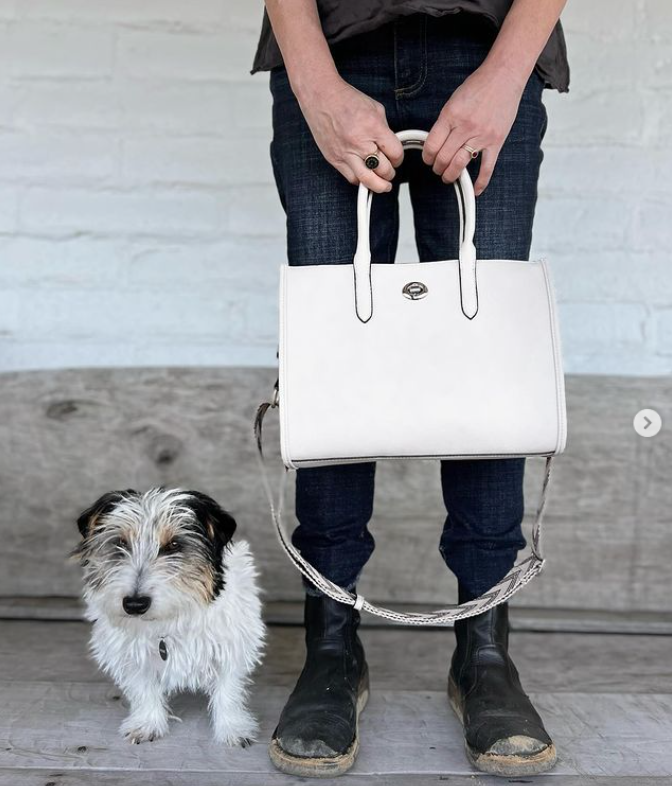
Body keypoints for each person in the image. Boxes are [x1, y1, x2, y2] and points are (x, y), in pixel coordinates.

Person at [251, 0, 569, 777]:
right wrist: (314, 81)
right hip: (331, 46)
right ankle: (331, 646)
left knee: (483, 352)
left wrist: (505, 72)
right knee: (337, 349)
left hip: (491, 44)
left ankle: (485, 653)